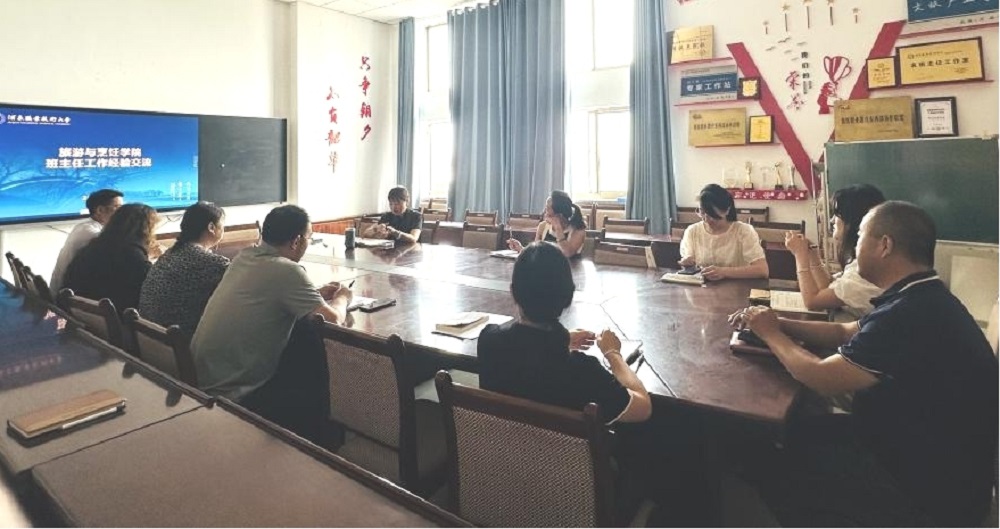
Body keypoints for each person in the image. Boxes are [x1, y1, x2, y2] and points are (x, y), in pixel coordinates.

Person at [730, 201, 998, 526]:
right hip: (913, 446)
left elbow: (820, 377)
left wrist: (771, 334)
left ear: (885, 245)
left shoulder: (909, 313)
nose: (855, 246)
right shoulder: (920, 295)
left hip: (922, 485)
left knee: (762, 454)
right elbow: (844, 331)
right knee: (796, 428)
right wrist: (778, 322)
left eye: (860, 236)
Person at [192, 204, 352, 405]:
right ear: (296, 241)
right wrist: (343, 297)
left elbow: (269, 293)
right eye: (309, 238)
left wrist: (313, 295)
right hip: (232, 395)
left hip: (201, 380)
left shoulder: (244, 257)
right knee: (311, 359)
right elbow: (332, 320)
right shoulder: (287, 270)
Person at [479, 241, 651, 424]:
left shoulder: (488, 341)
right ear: (568, 296)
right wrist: (613, 353)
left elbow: (529, 350)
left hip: (500, 442)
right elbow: (643, 407)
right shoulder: (583, 371)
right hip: (555, 445)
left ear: (513, 292)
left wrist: (564, 339)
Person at [785, 184, 885, 319]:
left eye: (837, 215)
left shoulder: (866, 270)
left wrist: (800, 256)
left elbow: (812, 302)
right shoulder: (863, 260)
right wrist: (812, 255)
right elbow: (828, 288)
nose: (832, 220)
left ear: (853, 220)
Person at [138, 201, 229, 337]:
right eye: (222, 225)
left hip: (149, 336)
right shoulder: (215, 263)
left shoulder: (169, 254)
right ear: (211, 227)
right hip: (179, 340)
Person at [62, 203, 158, 313]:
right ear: (145, 230)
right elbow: (150, 288)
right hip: (116, 316)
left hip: (81, 315)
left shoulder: (94, 246)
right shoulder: (133, 256)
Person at [679, 184, 768, 280]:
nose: (706, 219)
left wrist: (724, 272)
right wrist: (687, 263)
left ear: (727, 210)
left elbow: (762, 270)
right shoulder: (693, 231)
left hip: (738, 287)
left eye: (712, 215)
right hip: (703, 287)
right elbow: (690, 265)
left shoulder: (743, 231)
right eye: (702, 212)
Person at [50, 189, 123, 295]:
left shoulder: (86, 226)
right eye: (118, 207)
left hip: (72, 292)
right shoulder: (89, 232)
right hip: (67, 296)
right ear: (100, 210)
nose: (123, 212)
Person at [506, 190, 587, 258]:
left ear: (560, 214)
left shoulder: (577, 230)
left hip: (571, 270)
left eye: (547, 208)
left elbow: (567, 253)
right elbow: (536, 253)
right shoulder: (543, 226)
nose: (544, 212)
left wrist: (558, 227)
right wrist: (520, 248)